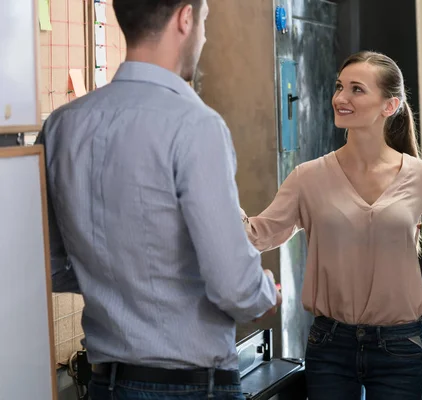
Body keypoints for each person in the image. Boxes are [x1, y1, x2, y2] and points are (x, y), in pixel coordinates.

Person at [36, 1, 281, 399]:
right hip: (192, 388)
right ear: (185, 18)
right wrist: (265, 291)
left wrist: (119, 281)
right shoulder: (196, 124)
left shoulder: (61, 126)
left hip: (106, 384)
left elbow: (46, 266)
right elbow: (234, 287)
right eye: (204, 22)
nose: (203, 36)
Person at [240, 51, 422, 400]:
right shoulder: (307, 178)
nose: (340, 98)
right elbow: (256, 236)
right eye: (339, 86)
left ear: (389, 106)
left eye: (356, 89)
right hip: (330, 343)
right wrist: (211, 194)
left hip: (400, 344)